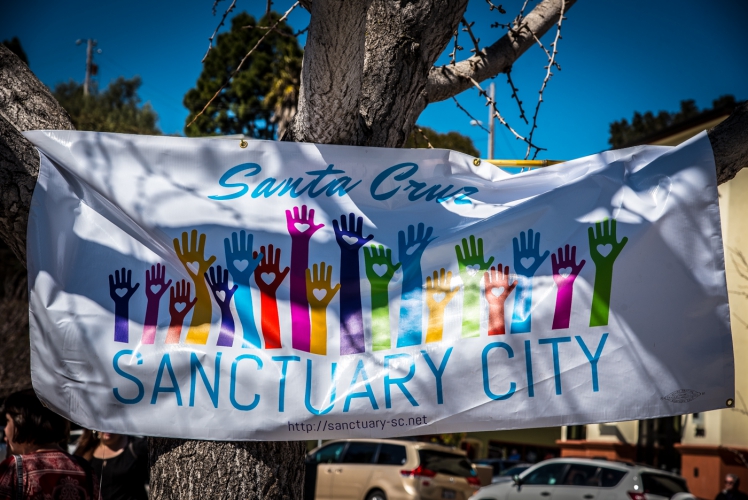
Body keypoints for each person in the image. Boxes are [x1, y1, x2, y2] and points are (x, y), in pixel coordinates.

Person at [0, 389, 99, 499]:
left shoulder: (16, 468)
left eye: (7, 421)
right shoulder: (85, 468)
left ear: (21, 422)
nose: (5, 430)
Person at [74, 430, 148, 500]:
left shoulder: (137, 446)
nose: (108, 429)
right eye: (104, 421)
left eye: (111, 422)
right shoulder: (85, 450)